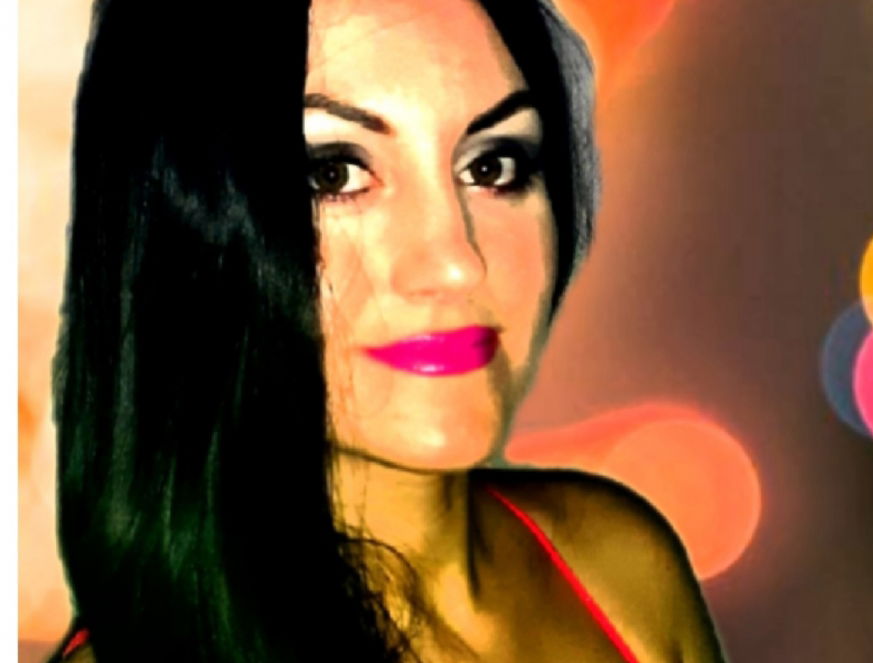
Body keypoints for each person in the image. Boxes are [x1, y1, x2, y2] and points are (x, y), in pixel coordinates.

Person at [49, 0, 727, 661]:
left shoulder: (620, 564)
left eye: (492, 166)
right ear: (184, 220)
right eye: (334, 173)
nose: (456, 264)